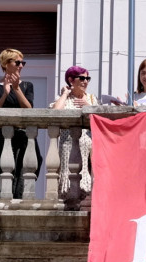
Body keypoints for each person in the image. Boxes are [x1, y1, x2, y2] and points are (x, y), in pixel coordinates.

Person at [0, 48, 42, 199]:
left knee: (21, 180)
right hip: (0, 139)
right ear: (5, 63)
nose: (21, 65)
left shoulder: (27, 85)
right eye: (17, 62)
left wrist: (16, 89)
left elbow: (28, 108)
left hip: (22, 138)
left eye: (23, 62)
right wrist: (4, 93)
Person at [50, 66, 99, 196]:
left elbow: (99, 118)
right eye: (82, 78)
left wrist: (88, 106)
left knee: (86, 175)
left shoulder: (92, 98)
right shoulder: (64, 98)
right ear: (71, 80)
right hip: (68, 144)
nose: (85, 81)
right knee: (67, 172)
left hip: (88, 146)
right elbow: (55, 113)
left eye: (87, 78)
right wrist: (65, 94)